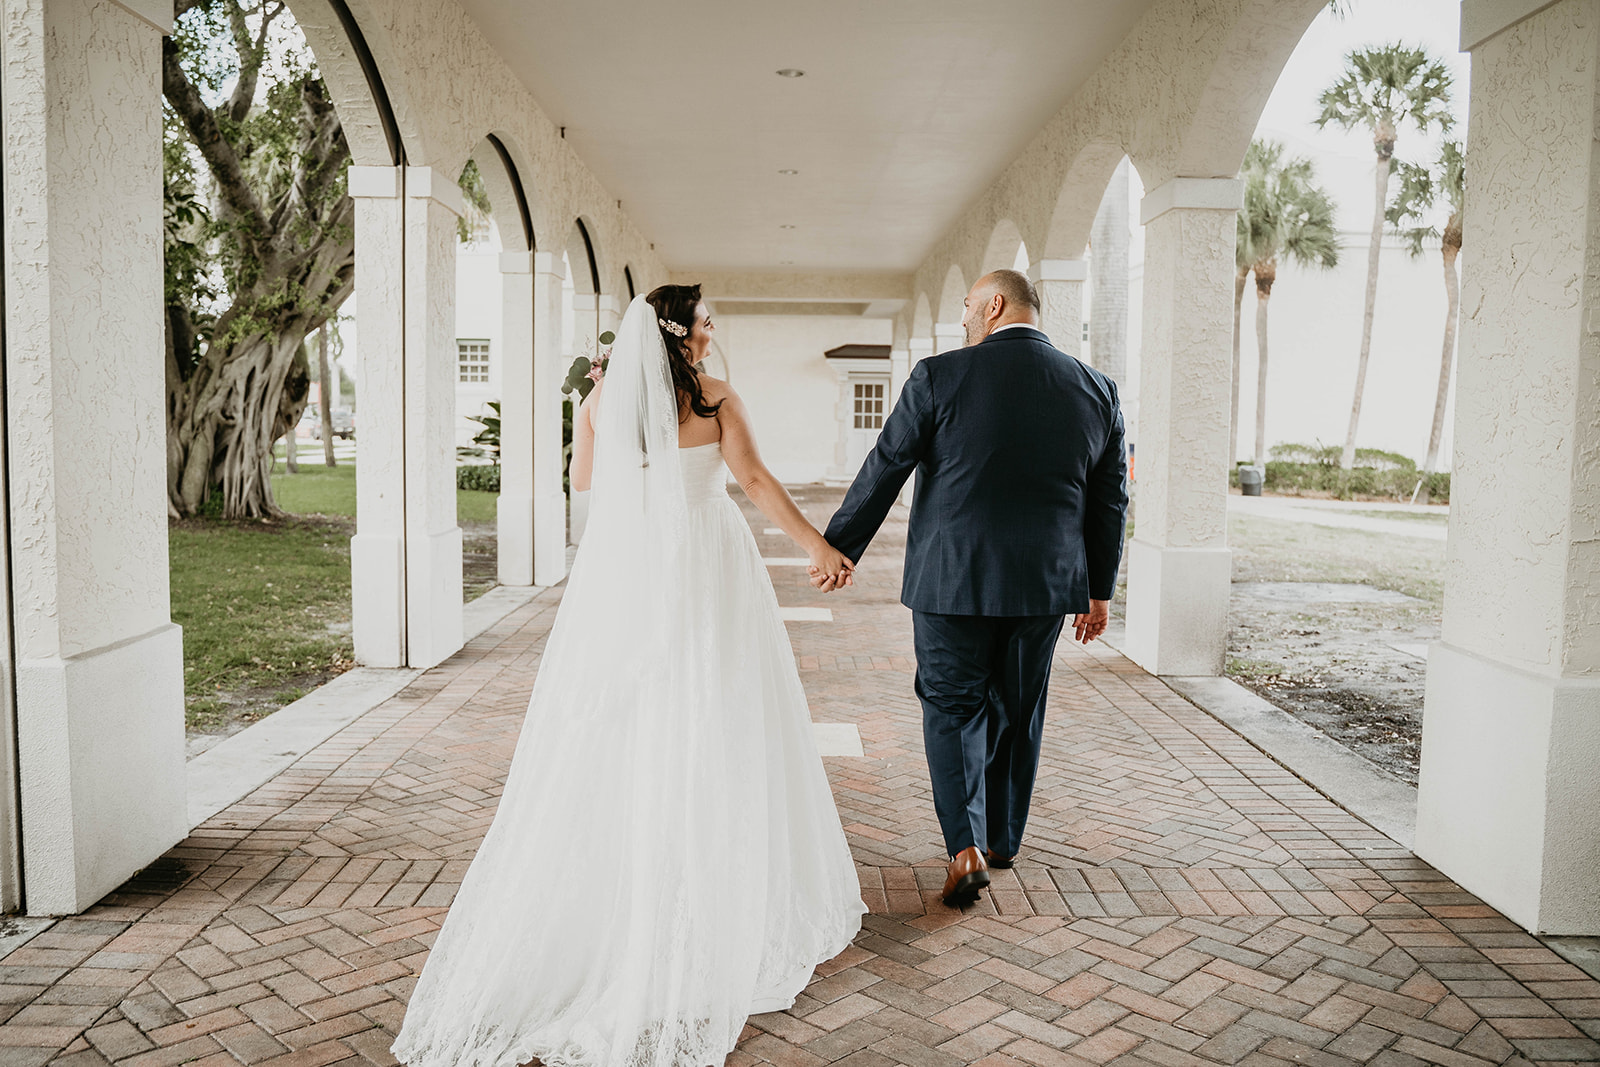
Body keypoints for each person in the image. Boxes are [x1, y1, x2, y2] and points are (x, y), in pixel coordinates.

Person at [391, 285, 865, 1067]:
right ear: (681, 335)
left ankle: (635, 890)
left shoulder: (603, 399)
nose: (715, 332)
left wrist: (599, 411)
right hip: (707, 565)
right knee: (714, 709)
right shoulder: (713, 399)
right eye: (707, 321)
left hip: (633, 573)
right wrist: (816, 545)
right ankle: (703, 890)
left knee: (636, 715)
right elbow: (752, 480)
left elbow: (584, 483)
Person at [814, 268, 1128, 907]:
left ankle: (966, 848)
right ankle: (1003, 840)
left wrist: (839, 546)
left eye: (965, 307)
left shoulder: (939, 376)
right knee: (1017, 708)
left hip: (950, 581)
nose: (962, 320)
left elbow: (887, 465)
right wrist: (1100, 590)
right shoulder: (1096, 389)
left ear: (993, 303)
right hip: (1044, 586)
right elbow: (1109, 499)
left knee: (952, 707)